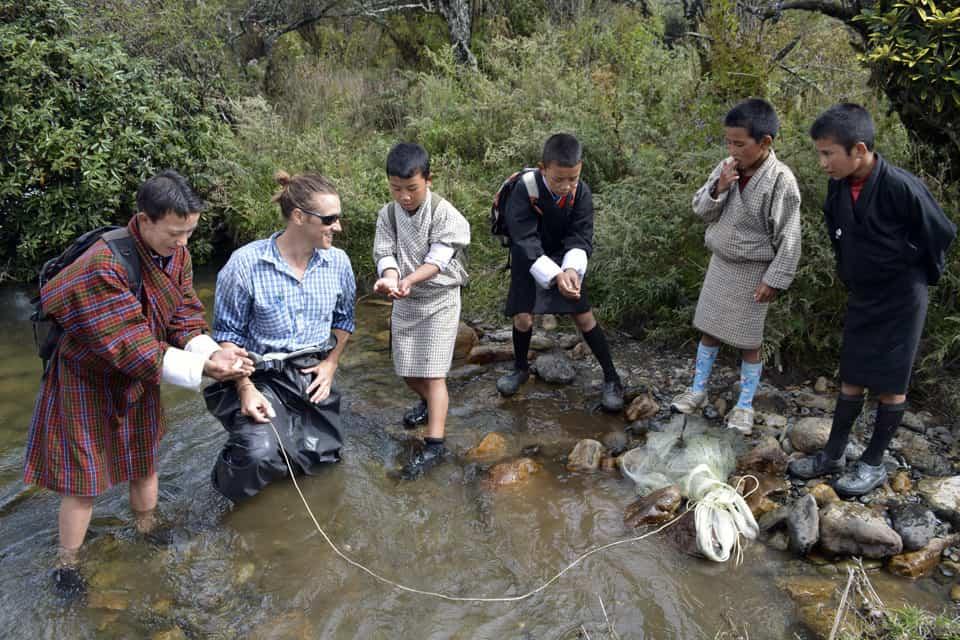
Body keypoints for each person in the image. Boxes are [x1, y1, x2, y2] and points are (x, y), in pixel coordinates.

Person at [23, 170, 253, 596]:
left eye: (189, 233)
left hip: (141, 372)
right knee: (84, 476)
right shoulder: (102, 266)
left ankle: (147, 528)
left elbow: (183, 313)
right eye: (174, 233)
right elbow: (130, 345)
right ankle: (67, 562)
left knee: (144, 455)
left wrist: (212, 352)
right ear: (143, 220)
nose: (183, 243)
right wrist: (205, 369)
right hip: (86, 377)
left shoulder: (176, 255)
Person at [788, 103, 956, 497]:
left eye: (828, 153)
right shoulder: (839, 186)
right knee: (852, 375)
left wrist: (911, 266)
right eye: (820, 153)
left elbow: (941, 232)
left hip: (901, 295)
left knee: (890, 383)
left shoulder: (900, 185)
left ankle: (873, 463)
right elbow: (836, 229)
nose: (822, 162)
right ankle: (832, 454)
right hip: (864, 293)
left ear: (858, 150)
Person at [207, 171, 356, 501]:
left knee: (321, 460)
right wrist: (244, 388)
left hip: (310, 372)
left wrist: (331, 364)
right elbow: (228, 336)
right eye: (329, 219)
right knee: (259, 453)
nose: (338, 227)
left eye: (338, 218)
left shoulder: (339, 264)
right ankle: (219, 496)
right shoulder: (245, 264)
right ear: (299, 217)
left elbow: (345, 320)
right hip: (259, 374)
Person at [669, 98, 802, 435]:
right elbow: (701, 209)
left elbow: (789, 236)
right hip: (721, 262)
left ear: (765, 142)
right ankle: (697, 390)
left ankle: (744, 405)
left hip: (754, 269)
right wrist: (720, 186)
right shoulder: (727, 167)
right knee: (709, 329)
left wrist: (775, 279)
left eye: (740, 143)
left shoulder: (781, 180)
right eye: (728, 141)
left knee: (749, 341)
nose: (732, 149)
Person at [496, 133, 624, 413]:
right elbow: (524, 238)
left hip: (565, 255)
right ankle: (520, 369)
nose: (566, 186)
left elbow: (581, 236)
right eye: (558, 179)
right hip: (527, 254)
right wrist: (554, 276)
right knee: (522, 315)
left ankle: (612, 378)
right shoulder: (524, 189)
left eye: (573, 178)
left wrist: (570, 270)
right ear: (543, 168)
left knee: (583, 314)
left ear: (580, 169)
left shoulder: (582, 192)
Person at [373, 143, 470, 479]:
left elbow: (438, 261)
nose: (404, 197)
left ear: (428, 180)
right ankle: (432, 403)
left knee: (433, 373)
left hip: (440, 298)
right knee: (407, 370)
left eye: (411, 189)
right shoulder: (387, 215)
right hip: (407, 299)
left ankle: (435, 442)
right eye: (396, 189)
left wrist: (407, 280)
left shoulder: (445, 213)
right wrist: (389, 279)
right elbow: (385, 253)